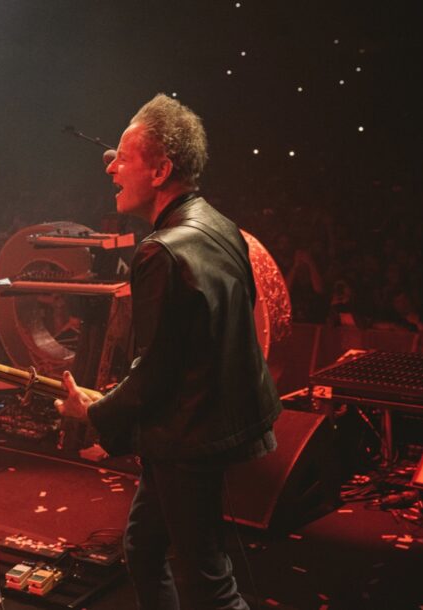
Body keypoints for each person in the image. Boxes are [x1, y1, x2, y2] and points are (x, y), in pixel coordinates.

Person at [56, 94, 282, 610]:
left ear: (159, 171)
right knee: (143, 546)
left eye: (123, 157)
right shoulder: (222, 226)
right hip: (212, 425)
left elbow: (157, 371)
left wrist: (94, 411)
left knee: (209, 583)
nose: (110, 165)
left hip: (190, 438)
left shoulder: (160, 251)